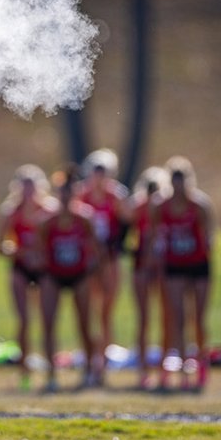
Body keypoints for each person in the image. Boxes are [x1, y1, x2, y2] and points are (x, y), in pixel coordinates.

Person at [150, 157, 214, 392]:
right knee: (175, 317)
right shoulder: (160, 206)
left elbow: (209, 238)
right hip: (174, 265)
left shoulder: (199, 205)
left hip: (197, 264)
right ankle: (174, 368)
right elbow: (155, 236)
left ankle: (200, 364)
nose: (178, 188)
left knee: (198, 318)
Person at [38, 168, 100, 392]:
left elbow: (96, 247)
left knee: (85, 323)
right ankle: (51, 374)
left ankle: (90, 370)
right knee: (48, 324)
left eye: (69, 192)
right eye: (61, 192)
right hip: (53, 275)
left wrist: (92, 269)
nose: (65, 197)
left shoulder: (84, 218)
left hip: (79, 274)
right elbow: (39, 248)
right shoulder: (48, 221)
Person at [0, 165, 57, 390]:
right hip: (20, 268)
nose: (28, 193)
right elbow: (1, 246)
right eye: (24, 188)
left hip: (44, 270)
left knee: (48, 320)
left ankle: (51, 373)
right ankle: (24, 372)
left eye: (32, 188)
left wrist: (40, 255)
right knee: (23, 320)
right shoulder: (10, 212)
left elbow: (56, 242)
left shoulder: (49, 210)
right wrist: (20, 252)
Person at [76, 149, 131, 381]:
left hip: (109, 258)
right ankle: (91, 358)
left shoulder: (116, 196)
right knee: (89, 309)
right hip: (89, 260)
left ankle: (104, 359)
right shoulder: (81, 195)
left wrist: (112, 250)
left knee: (106, 311)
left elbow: (126, 225)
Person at [130, 166, 168, 390]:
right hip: (142, 267)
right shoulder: (138, 208)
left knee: (166, 318)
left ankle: (164, 368)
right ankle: (143, 369)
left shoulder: (166, 208)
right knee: (143, 318)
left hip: (163, 267)